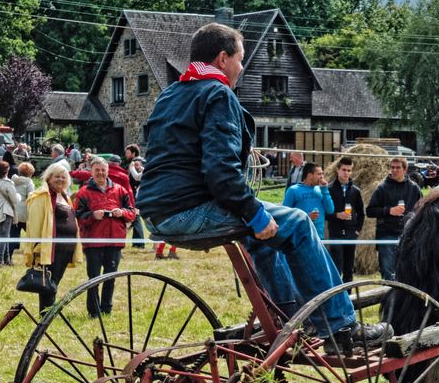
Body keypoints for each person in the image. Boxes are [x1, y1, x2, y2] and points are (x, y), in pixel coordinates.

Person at [135, 21, 382, 352]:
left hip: (156, 213)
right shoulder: (216, 93)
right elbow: (220, 171)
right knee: (297, 223)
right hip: (190, 210)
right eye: (240, 59)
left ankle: (290, 319)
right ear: (223, 58)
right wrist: (253, 211)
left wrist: (256, 220)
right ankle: (340, 327)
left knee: (266, 237)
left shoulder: (170, 95)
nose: (241, 67)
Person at [73, 155, 135, 318]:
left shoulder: (119, 190)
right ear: (91, 172)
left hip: (114, 240)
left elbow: (131, 213)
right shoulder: (83, 193)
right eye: (97, 170)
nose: (100, 173)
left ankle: (106, 309)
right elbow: (78, 216)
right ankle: (94, 311)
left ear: (107, 171)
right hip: (93, 241)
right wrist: (93, 215)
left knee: (111, 276)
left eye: (103, 170)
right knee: (93, 277)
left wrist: (122, 212)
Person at [23, 161, 84, 312]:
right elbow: (35, 224)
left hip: (66, 248)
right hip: (50, 248)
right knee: (47, 282)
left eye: (63, 177)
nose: (60, 180)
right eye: (57, 177)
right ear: (49, 178)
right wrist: (37, 247)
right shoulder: (41, 196)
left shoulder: (64, 196)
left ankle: (49, 311)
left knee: (55, 281)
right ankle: (45, 314)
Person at [366, 155, 421, 280]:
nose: (394, 170)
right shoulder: (382, 188)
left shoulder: (414, 188)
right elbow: (370, 211)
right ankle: (388, 298)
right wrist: (389, 210)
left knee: (407, 271)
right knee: (388, 271)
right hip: (386, 234)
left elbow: (421, 209)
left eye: (398, 167)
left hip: (408, 235)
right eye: (392, 167)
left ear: (405, 170)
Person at [325, 157, 365, 283]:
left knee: (349, 268)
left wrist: (357, 230)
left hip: (350, 233)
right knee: (337, 267)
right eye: (344, 170)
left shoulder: (355, 191)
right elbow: (325, 213)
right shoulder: (329, 189)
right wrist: (337, 215)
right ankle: (337, 297)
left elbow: (361, 213)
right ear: (337, 170)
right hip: (336, 232)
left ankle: (348, 298)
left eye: (349, 170)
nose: (346, 173)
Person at [282, 162, 333, 237]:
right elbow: (285, 214)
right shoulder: (293, 190)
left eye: (322, 174)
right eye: (319, 174)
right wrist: (306, 217)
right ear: (309, 175)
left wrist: (325, 189)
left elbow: (330, 210)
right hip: (300, 236)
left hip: (318, 236)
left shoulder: (322, 190)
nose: (322, 177)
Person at [124, 144, 147, 248]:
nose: (126, 155)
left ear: (133, 153)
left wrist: (132, 168)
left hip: (136, 194)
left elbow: (137, 179)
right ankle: (138, 242)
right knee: (135, 217)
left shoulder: (136, 162)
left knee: (134, 217)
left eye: (127, 153)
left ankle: (139, 243)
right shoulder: (139, 162)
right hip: (135, 194)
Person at [10, 161, 35, 252]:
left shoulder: (12, 181)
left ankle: (10, 253)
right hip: (25, 211)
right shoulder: (29, 183)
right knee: (32, 232)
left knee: (13, 233)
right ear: (30, 173)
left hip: (13, 209)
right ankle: (34, 249)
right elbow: (30, 197)